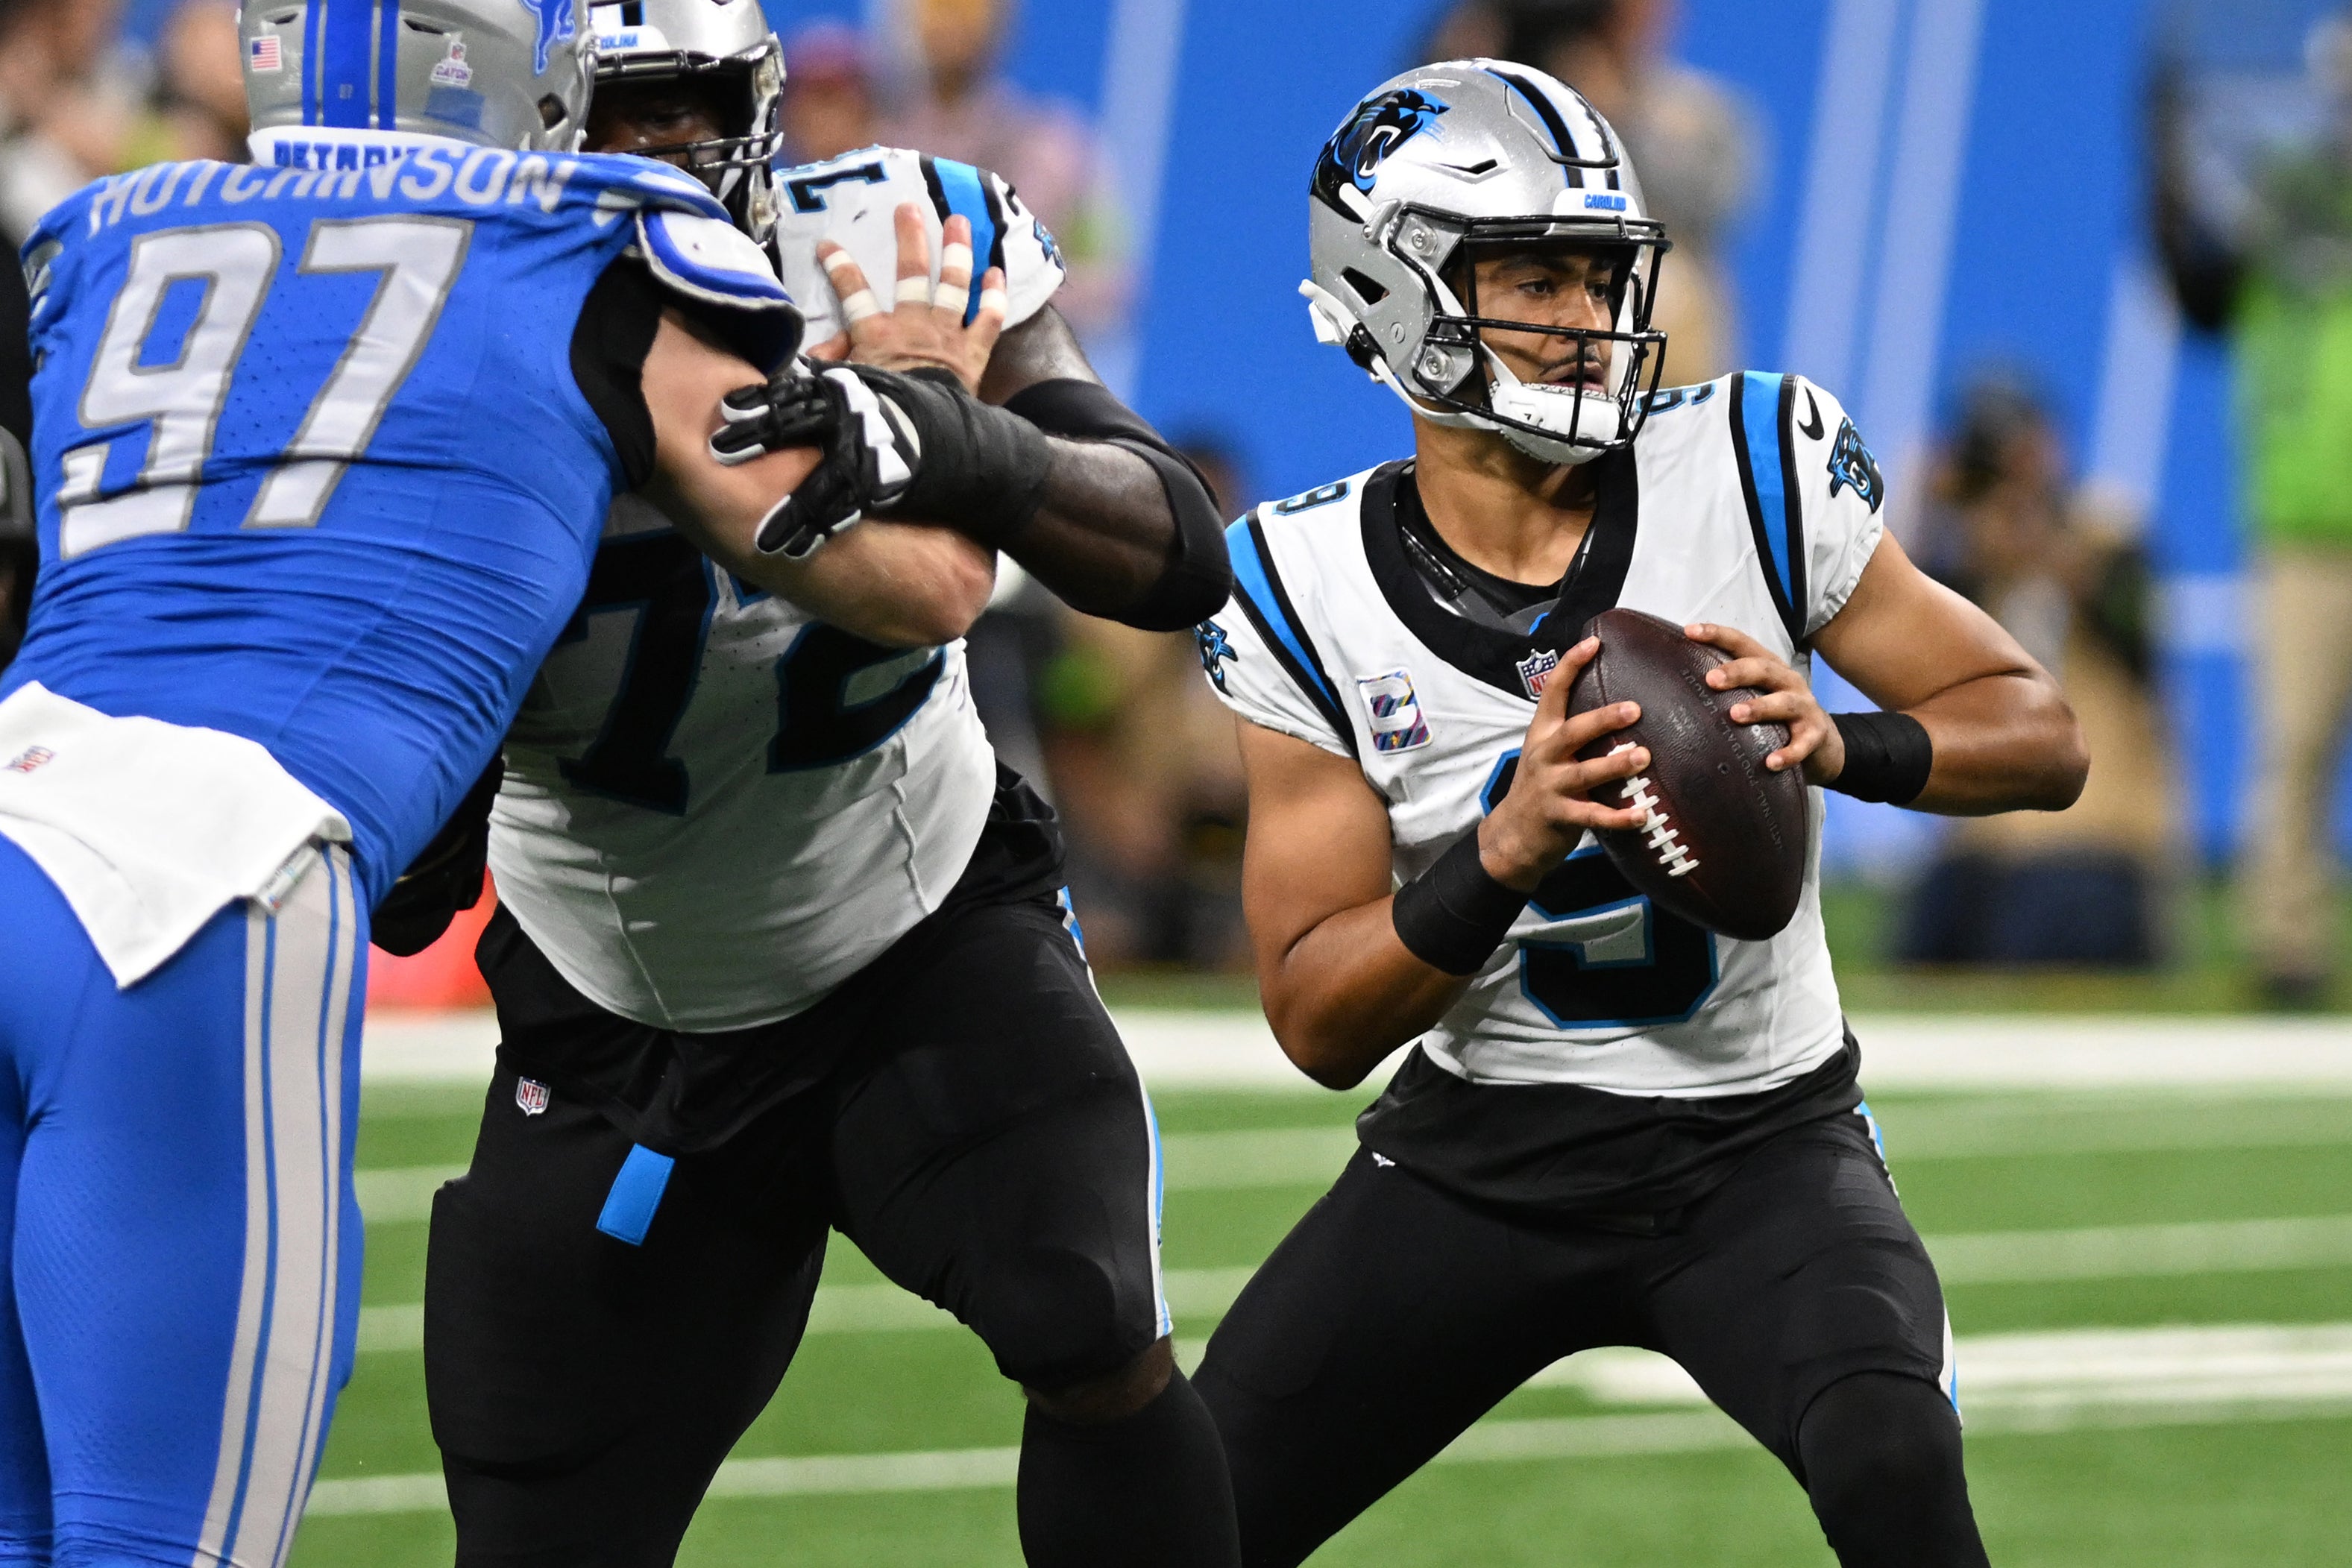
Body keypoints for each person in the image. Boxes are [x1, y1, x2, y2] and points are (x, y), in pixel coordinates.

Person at [0, 0, 1065, 1558]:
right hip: (200, 886)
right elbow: (927, 585)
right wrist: (925, 402)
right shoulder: (587, 250)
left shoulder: (99, 231)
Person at [1189, 63, 2087, 1567]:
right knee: (1170, 1522)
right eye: (1528, 272)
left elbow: (2037, 733)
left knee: (1889, 1459)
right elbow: (1314, 1016)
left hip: (1760, 1144)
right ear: (1388, 291)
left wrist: (1841, 738)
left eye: (1598, 272)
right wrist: (1501, 849)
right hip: (1480, 1163)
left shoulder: (1746, 463)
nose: (1582, 314)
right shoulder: (1294, 587)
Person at [411, 7, 1242, 1566]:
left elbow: (1169, 552)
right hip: (615, 1001)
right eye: (612, 113)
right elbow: (404, 889)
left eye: (687, 107)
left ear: (761, 103)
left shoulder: (887, 241)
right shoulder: (447, 319)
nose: (656, 154)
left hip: (914, 927)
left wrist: (946, 431)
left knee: (1088, 1316)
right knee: (539, 1526)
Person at [2156, 11, 2352, 1006]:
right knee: (2293, 743)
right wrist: (2163, 155)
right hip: (2304, 518)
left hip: (2309, 513)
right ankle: (2285, 949)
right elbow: (2197, 289)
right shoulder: (2285, 200)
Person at [1900, 374, 2173, 968]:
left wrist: (2052, 551)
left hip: (2095, 840)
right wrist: (1931, 522)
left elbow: (2139, 640)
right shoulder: (1967, 563)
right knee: (1926, 947)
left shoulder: (2110, 537)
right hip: (1986, 842)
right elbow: (1904, 657)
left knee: (2035, 940)